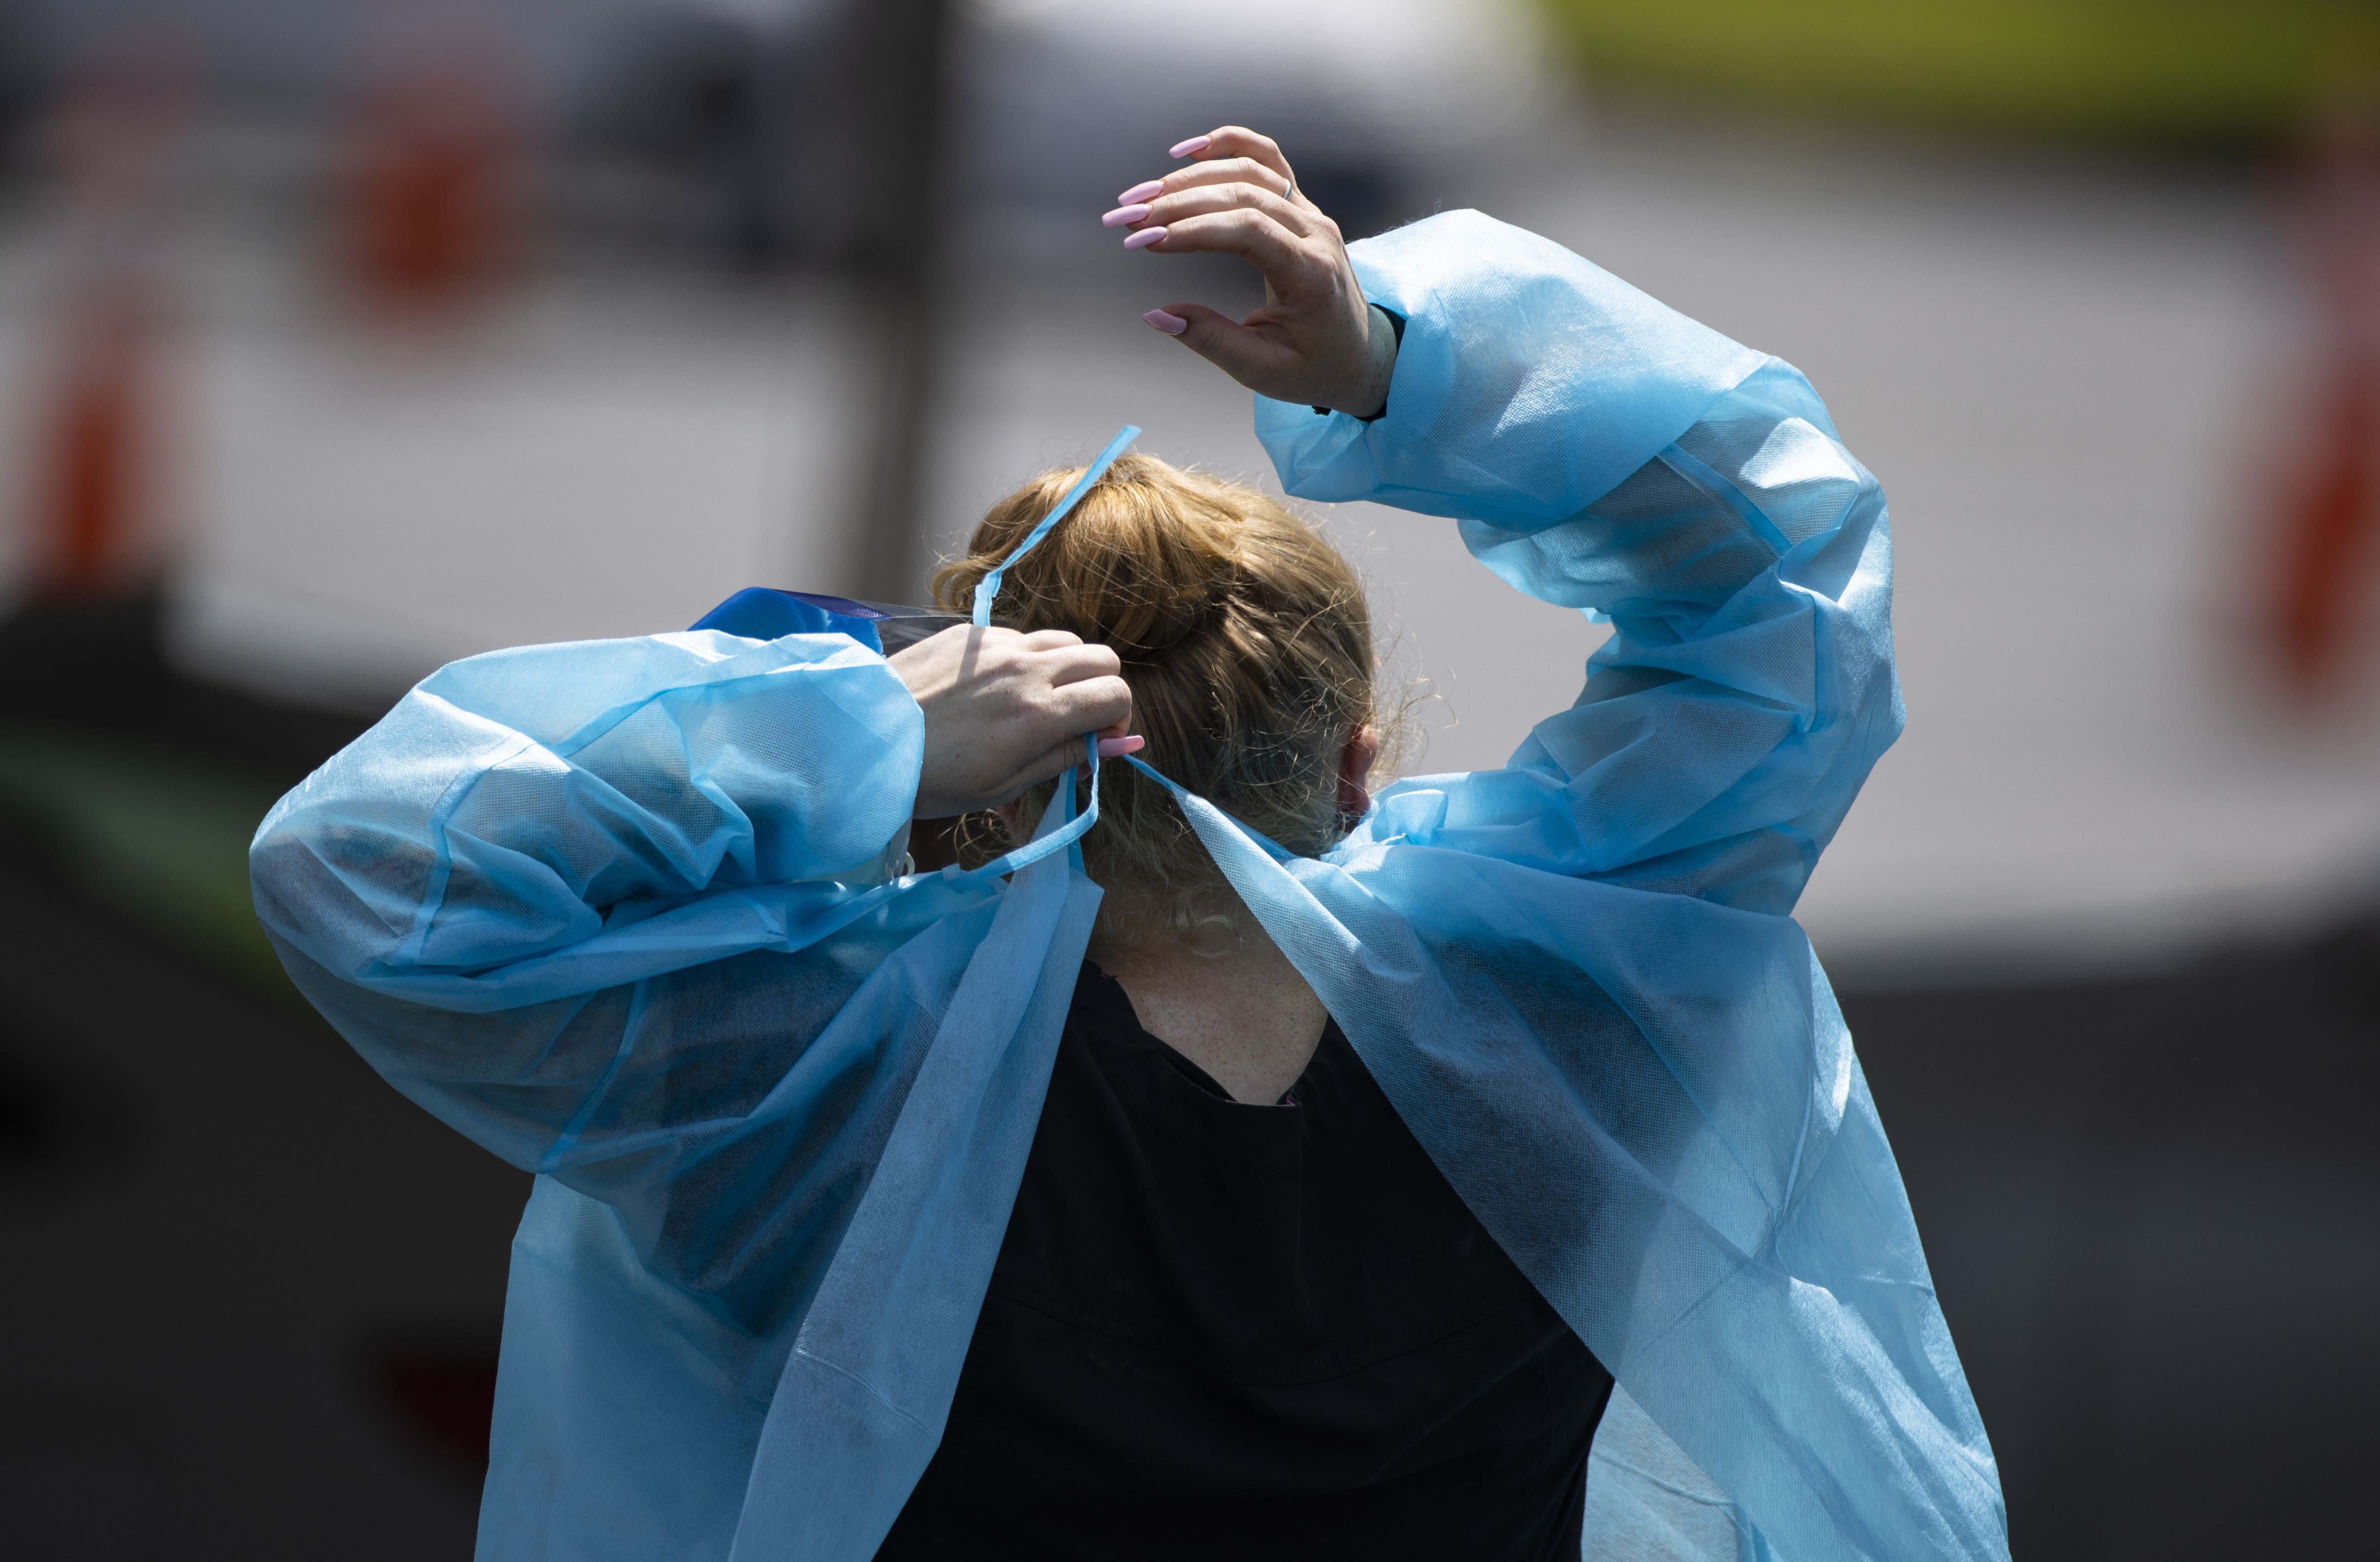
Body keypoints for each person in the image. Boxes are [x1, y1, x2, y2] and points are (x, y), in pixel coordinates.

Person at [250, 128, 2008, 1562]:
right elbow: (1782, 596)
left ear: (960, 778)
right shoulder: (1572, 1021)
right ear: (1357, 764)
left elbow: (370, 871)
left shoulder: (817, 1079)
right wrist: (1401, 363)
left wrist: (849, 733)